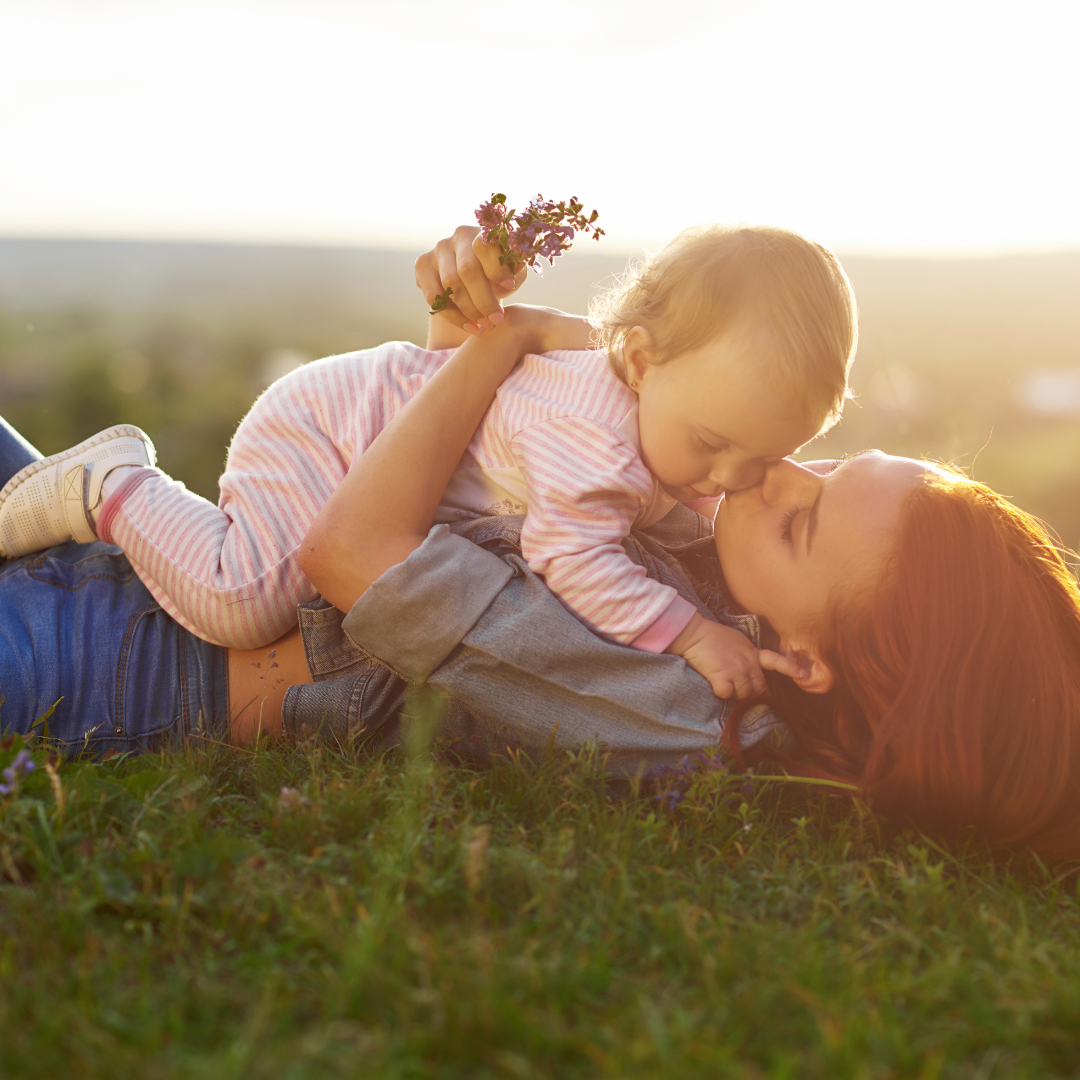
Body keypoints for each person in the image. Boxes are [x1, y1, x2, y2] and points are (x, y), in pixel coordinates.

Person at [0, 224, 857, 700]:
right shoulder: (596, 444)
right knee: (239, 596)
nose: (731, 481)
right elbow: (576, 558)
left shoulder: (653, 409)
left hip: (371, 415)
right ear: (636, 359)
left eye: (768, 458)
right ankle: (112, 484)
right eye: (713, 446)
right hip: (333, 433)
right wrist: (693, 633)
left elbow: (663, 503)